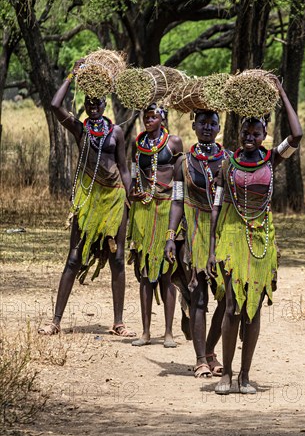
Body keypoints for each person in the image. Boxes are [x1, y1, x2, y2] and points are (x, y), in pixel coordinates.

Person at [207, 77, 303, 394]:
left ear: (265, 135)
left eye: (256, 133)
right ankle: (226, 375)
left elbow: (298, 134)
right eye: (246, 132)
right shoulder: (226, 164)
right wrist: (210, 249)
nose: (250, 137)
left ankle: (245, 376)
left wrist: (281, 93)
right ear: (239, 133)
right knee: (233, 305)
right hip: (231, 238)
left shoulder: (271, 159)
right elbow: (217, 208)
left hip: (262, 240)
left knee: (254, 308)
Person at [38, 60, 135, 337]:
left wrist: (130, 200)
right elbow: (56, 105)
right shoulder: (79, 129)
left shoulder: (115, 132)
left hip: (115, 197)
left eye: (98, 103)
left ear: (105, 103)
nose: (94, 108)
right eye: (89, 103)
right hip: (89, 197)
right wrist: (72, 74)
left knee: (117, 258)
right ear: (85, 104)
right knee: (73, 258)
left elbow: (125, 169)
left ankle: (118, 322)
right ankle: (56, 321)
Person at [165, 110, 227, 378]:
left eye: (212, 123)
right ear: (194, 125)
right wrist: (170, 235)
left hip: (222, 235)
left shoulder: (228, 161)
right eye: (202, 122)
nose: (207, 127)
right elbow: (177, 201)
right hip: (194, 235)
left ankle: (211, 350)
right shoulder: (183, 164)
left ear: (219, 127)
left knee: (226, 299)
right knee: (199, 298)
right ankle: (201, 359)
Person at [128, 104, 183, 347]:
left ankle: (169, 332)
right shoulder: (137, 144)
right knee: (144, 273)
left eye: (154, 116)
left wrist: (179, 204)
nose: (149, 120)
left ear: (162, 118)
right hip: (143, 209)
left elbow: (179, 175)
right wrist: (133, 191)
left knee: (166, 271)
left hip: (166, 208)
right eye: (146, 117)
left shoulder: (174, 142)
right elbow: (133, 171)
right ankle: (146, 332)